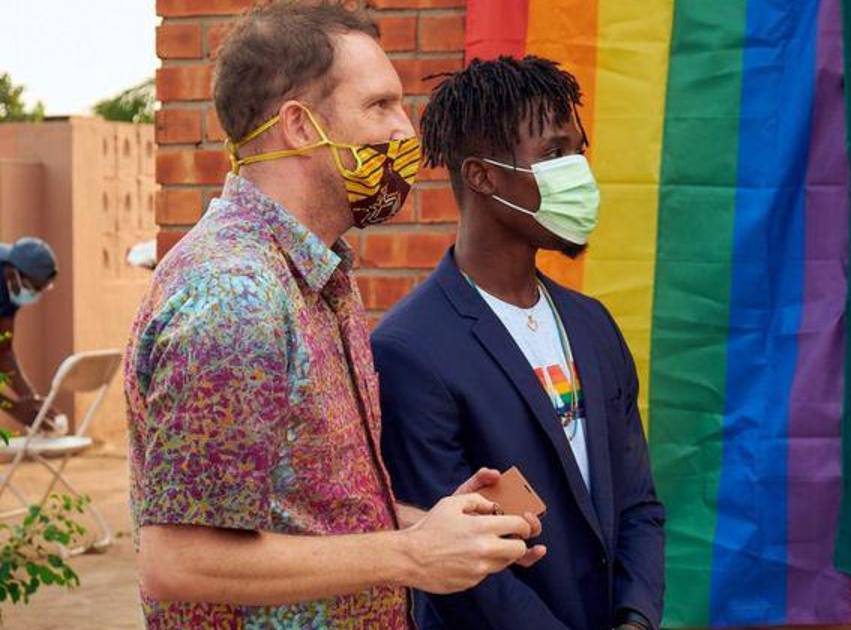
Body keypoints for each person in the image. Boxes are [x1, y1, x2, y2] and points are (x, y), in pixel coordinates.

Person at [124, 4, 543, 628]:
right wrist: (409, 556)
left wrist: (433, 530)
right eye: (380, 106)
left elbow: (303, 515)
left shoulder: (317, 274)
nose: (405, 131)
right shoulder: (236, 297)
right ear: (300, 125)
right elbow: (180, 560)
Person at [371, 56, 665, 630]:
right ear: (483, 176)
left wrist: (635, 617)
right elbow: (449, 560)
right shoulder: (409, 349)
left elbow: (637, 503)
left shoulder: (592, 324)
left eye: (578, 151)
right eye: (554, 154)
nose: (577, 172)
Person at [0, 237, 66, 434]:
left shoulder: (10, 288)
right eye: (33, 288)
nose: (35, 296)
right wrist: (13, 408)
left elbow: (3, 351)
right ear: (13, 274)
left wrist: (31, 401)